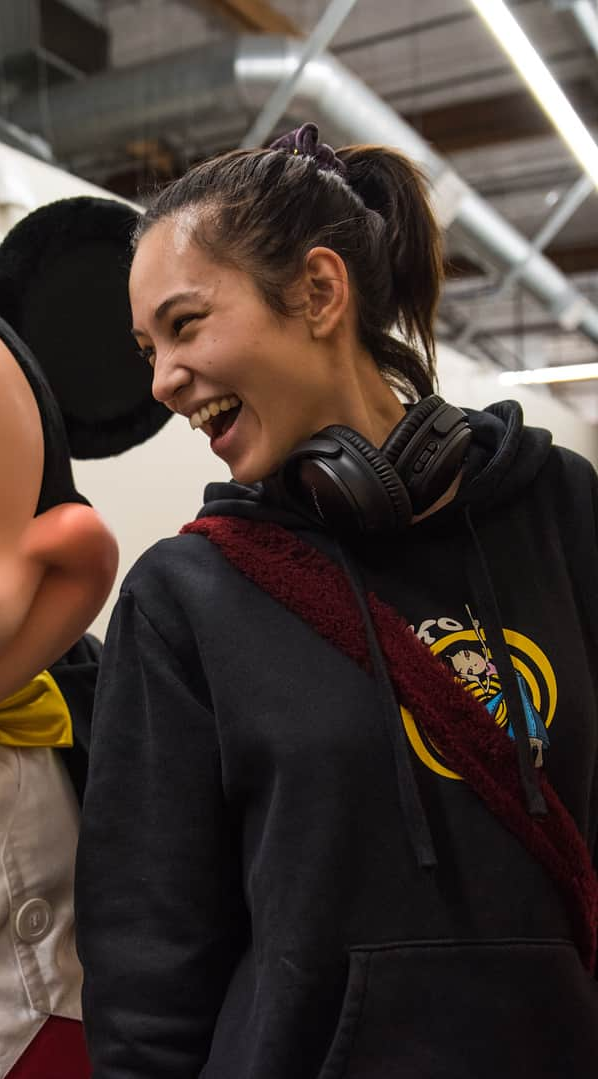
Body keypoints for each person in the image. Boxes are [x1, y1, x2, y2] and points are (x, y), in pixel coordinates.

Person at [74, 122, 598, 1079]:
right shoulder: (183, 599)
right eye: (148, 347)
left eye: (185, 325)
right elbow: (148, 960)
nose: (161, 380)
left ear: (320, 292)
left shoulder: (563, 511)